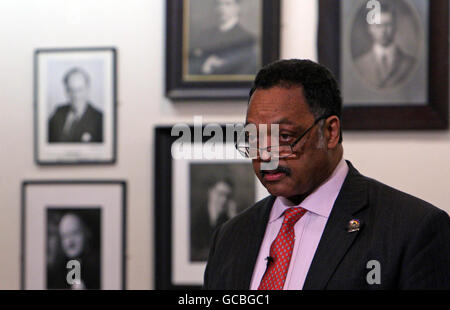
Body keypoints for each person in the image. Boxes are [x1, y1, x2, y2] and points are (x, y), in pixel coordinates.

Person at [203, 59, 450, 290]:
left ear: (330, 132)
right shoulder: (230, 236)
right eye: (254, 138)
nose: (266, 156)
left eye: (285, 137)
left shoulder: (413, 230)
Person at [354, 1, 415, 88]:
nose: (383, 31)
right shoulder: (360, 64)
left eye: (387, 25)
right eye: (378, 25)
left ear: (395, 26)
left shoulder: (409, 63)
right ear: (370, 28)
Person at [189, 0, 258, 75]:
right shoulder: (204, 35)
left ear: (238, 7)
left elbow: (246, 71)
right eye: (218, 4)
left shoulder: (247, 38)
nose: (221, 8)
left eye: (227, 4)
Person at [48, 67, 103, 143]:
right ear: (66, 91)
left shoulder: (100, 119)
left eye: (80, 90)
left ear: (88, 89)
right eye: (71, 90)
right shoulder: (58, 113)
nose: (75, 95)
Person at [47, 213, 100, 289]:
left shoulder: (98, 267)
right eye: (64, 236)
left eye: (74, 233)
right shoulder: (57, 273)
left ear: (87, 233)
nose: (69, 243)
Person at [191, 178, 237, 261]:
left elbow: (236, 249)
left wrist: (234, 218)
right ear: (210, 192)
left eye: (227, 196)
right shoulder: (196, 216)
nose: (224, 200)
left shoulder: (228, 219)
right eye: (220, 194)